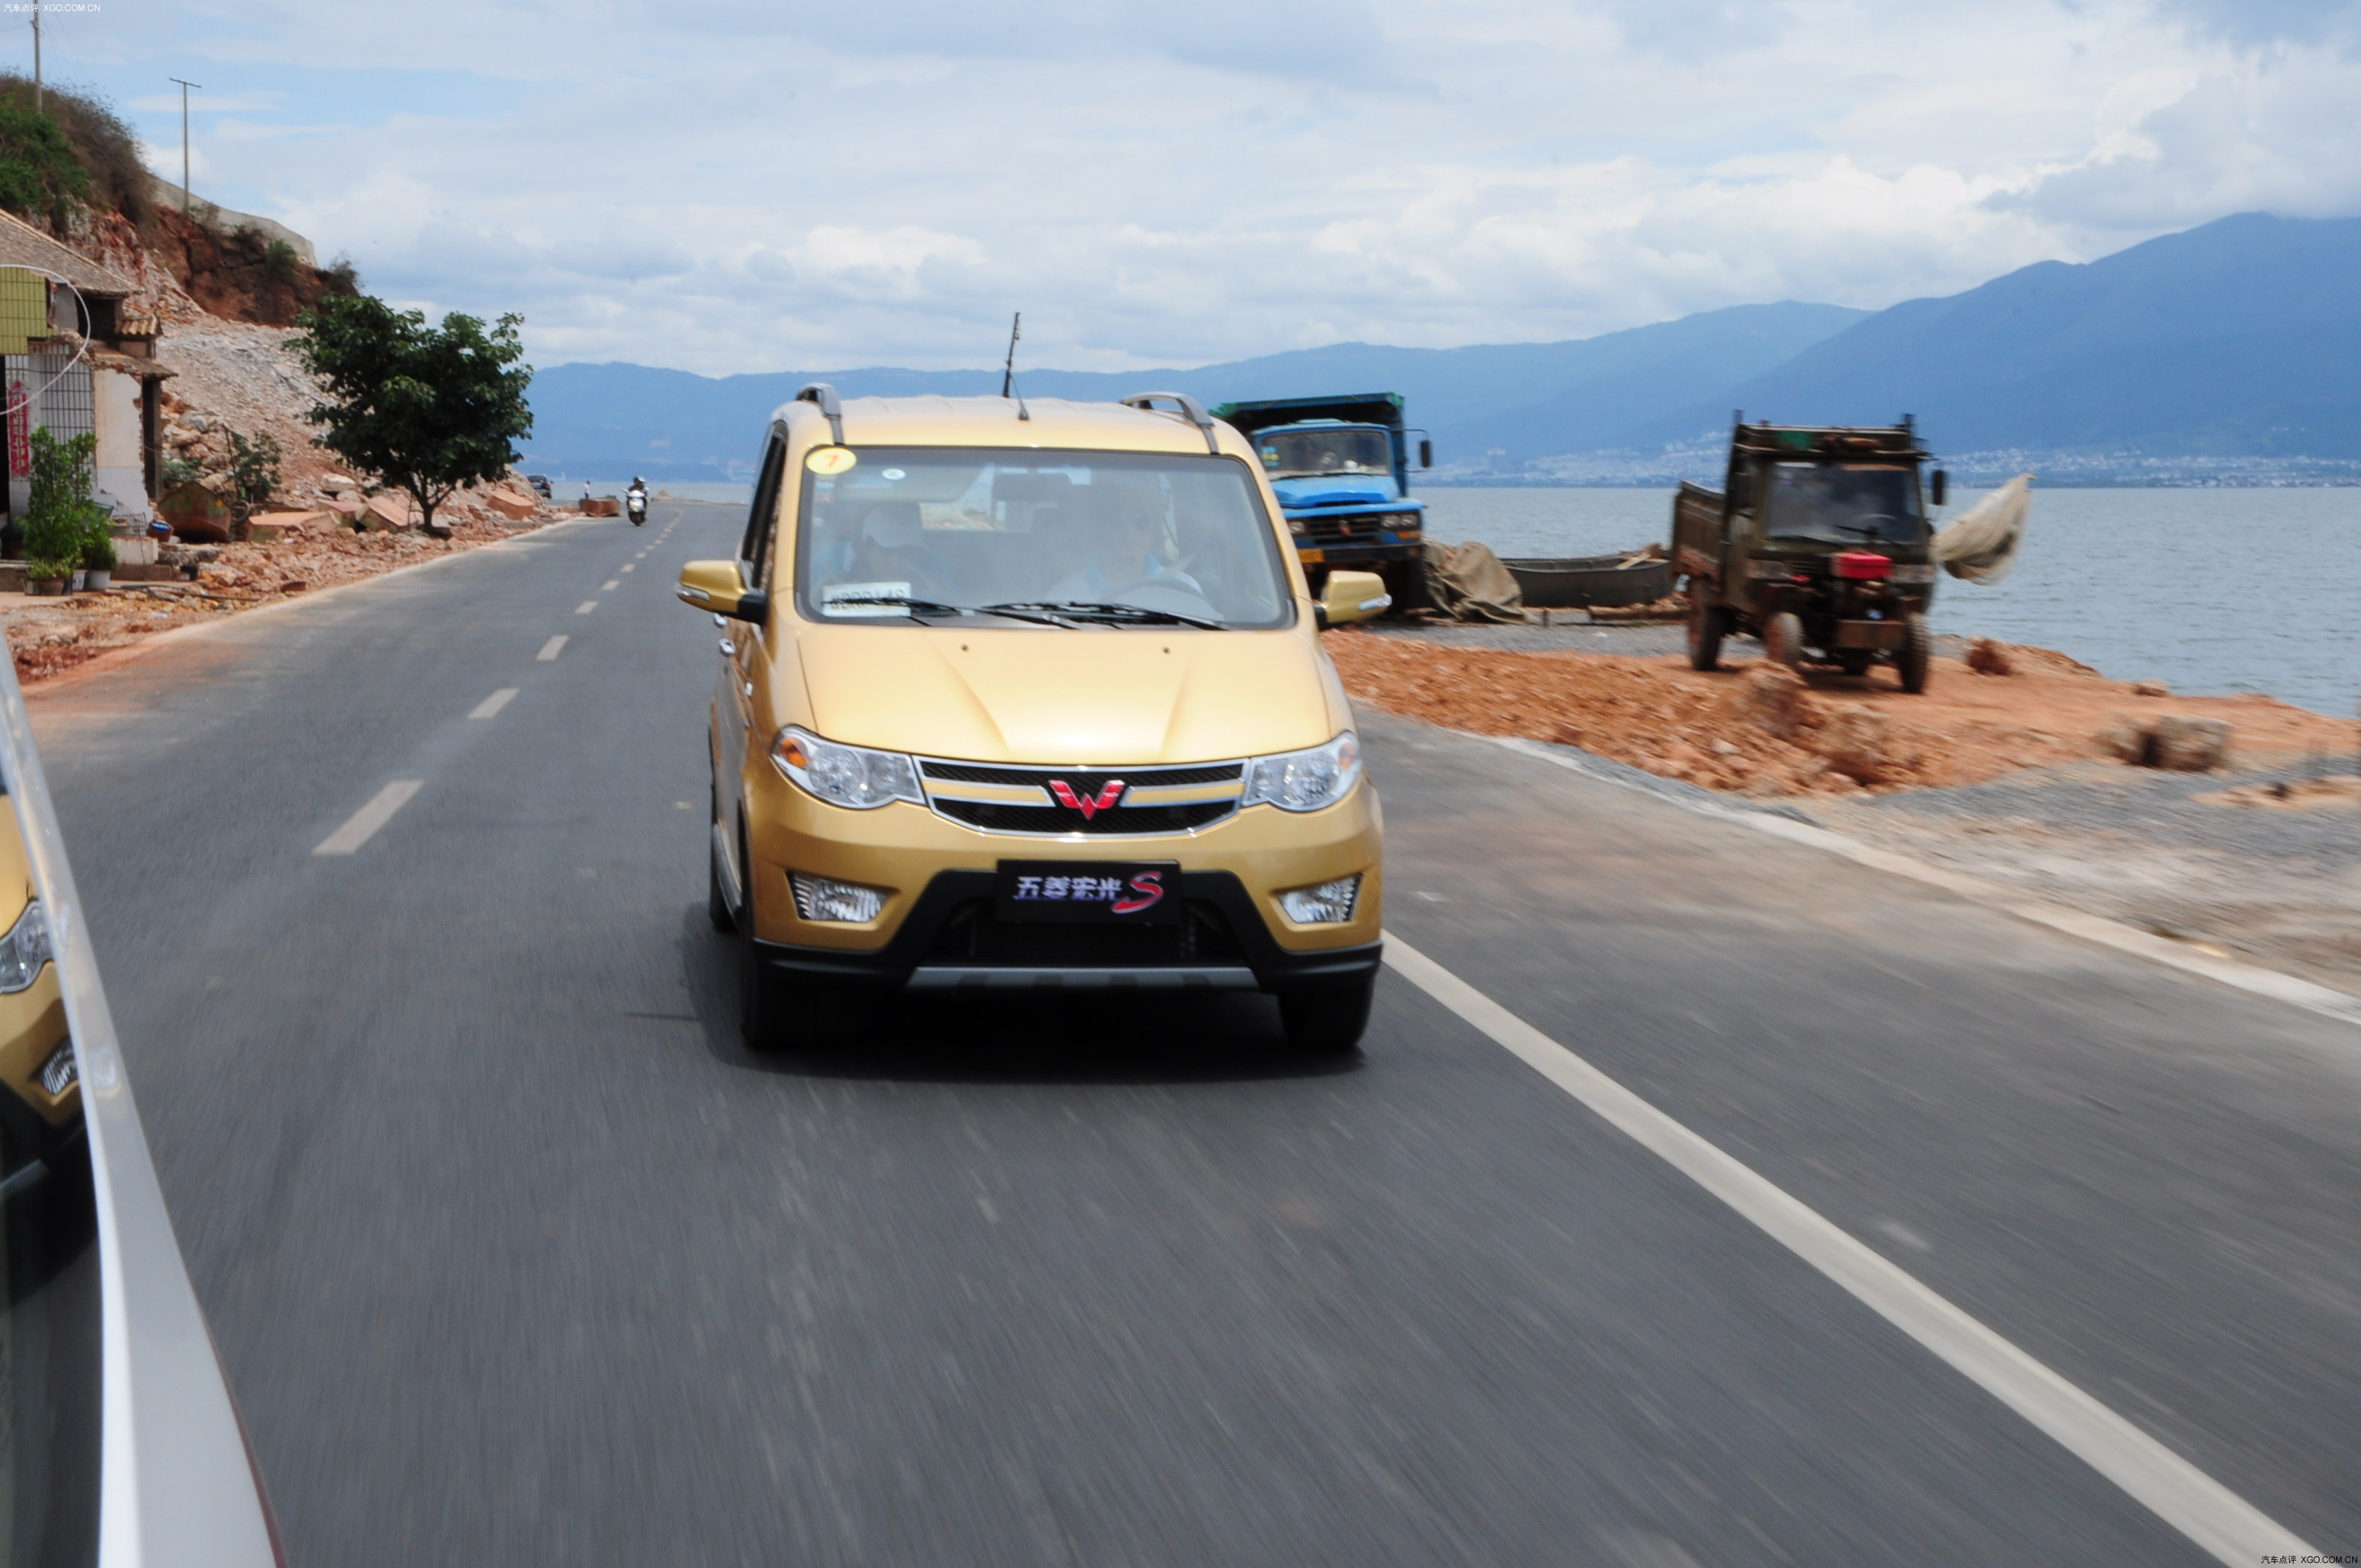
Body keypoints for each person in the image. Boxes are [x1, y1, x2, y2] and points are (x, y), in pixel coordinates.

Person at [1048, 495, 1201, 603]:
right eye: (1117, 520)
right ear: (1100, 530)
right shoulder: (1066, 595)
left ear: (1153, 531)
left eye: (1141, 521)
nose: (1130, 529)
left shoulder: (1184, 588)